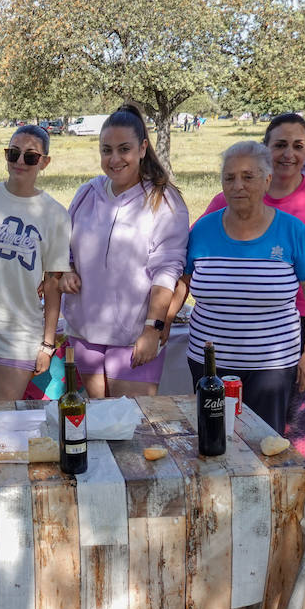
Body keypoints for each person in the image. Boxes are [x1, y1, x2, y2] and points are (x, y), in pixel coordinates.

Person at [202, 113, 305, 457]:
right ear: (265, 150)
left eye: (298, 146)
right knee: (233, 417)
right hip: (243, 329)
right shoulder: (224, 201)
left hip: (302, 327)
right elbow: (198, 258)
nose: (288, 153)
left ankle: (290, 485)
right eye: (279, 145)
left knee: (291, 417)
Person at [180, 141, 305, 434]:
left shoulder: (292, 230)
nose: (238, 186)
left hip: (272, 366)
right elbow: (180, 284)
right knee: (212, 438)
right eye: (230, 177)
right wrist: (158, 325)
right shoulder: (202, 230)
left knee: (264, 441)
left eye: (248, 177)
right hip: (207, 362)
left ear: (267, 180)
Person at [61, 105, 189, 398]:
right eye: (106, 150)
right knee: (96, 423)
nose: (114, 159)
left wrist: (152, 330)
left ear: (143, 148)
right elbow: (64, 249)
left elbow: (167, 273)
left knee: (133, 428)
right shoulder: (87, 193)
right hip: (85, 332)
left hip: (133, 338)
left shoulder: (164, 201)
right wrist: (66, 271)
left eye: (124, 149)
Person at [0, 125, 71, 401]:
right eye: (14, 153)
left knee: (2, 416)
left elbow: (54, 282)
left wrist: (46, 345)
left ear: (44, 162)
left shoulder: (55, 214)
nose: (20, 161)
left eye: (31, 157)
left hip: (20, 332)